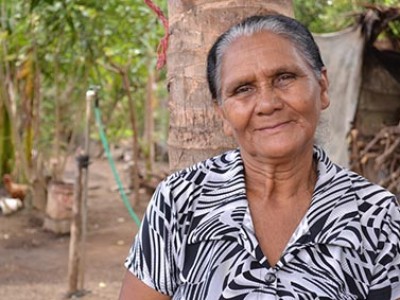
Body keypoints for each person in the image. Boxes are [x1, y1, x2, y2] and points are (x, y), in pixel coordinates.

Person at [119, 14, 400, 300]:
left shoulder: (376, 217)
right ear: (223, 114)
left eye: (284, 78)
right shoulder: (181, 200)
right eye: (243, 89)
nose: (267, 104)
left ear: (323, 87)